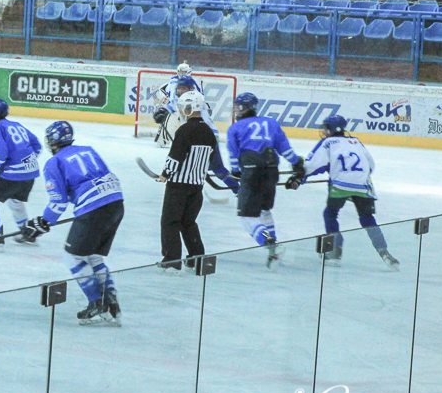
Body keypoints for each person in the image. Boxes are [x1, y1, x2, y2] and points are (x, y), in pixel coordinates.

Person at [288, 114, 400, 270]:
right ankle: (385, 253)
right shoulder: (356, 141)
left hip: (340, 184)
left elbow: (312, 165)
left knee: (330, 214)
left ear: (330, 129)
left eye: (326, 127)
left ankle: (335, 252)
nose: (324, 130)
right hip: (363, 184)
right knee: (367, 218)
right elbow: (371, 165)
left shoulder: (327, 142)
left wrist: (299, 178)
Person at [41, 121, 124, 326]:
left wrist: (42, 222)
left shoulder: (54, 163)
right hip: (116, 201)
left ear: (52, 142)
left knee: (72, 257)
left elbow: (58, 202)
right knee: (94, 255)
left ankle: (97, 303)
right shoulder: (88, 150)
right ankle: (111, 303)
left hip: (93, 208)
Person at [156, 90, 237, 273]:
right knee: (188, 222)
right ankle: (196, 258)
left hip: (178, 186)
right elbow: (210, 161)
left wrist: (165, 174)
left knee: (170, 222)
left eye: (184, 106)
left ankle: (171, 260)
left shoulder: (184, 130)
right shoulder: (209, 132)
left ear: (191, 107)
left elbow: (176, 157)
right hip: (196, 187)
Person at [227, 92, 305, 268]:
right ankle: (273, 251)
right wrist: (297, 163)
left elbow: (234, 155)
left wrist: (236, 173)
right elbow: (285, 148)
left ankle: (270, 244)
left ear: (242, 108)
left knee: (246, 216)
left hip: (252, 172)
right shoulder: (271, 123)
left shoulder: (235, 128)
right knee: (264, 210)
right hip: (271, 171)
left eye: (237, 107)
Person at [0, 99, 42, 249]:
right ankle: (27, 233)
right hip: (30, 173)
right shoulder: (16, 125)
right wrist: (24, 161)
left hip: (14, 175)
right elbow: (37, 145)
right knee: (15, 201)